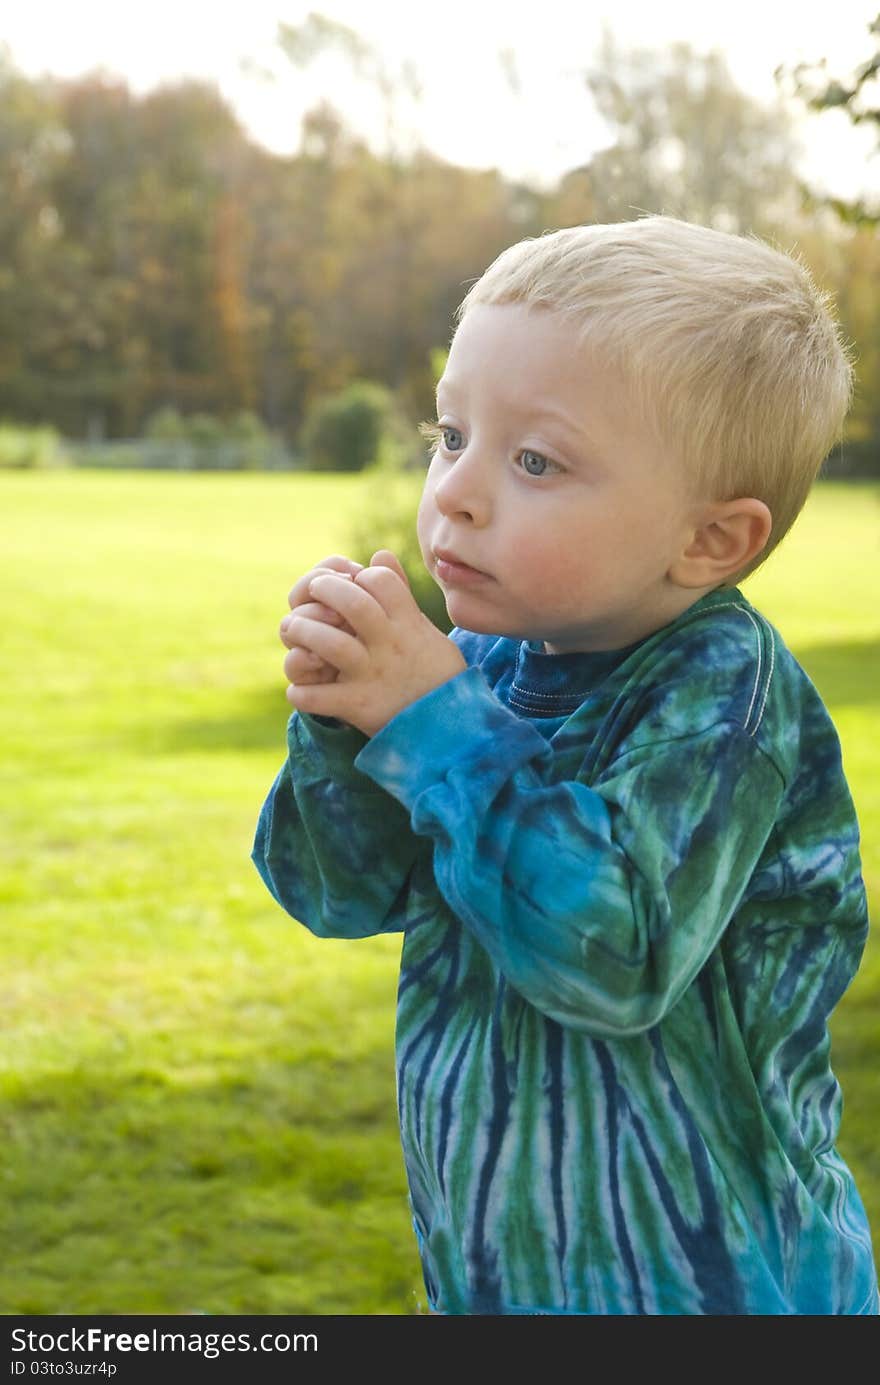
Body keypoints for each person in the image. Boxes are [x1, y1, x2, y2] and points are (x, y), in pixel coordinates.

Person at [252, 215, 878, 1315]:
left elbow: (615, 952)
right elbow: (337, 892)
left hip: (715, 1286)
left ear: (708, 541)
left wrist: (432, 721)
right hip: (501, 1279)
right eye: (450, 434)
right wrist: (346, 723)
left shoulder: (720, 696)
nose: (456, 488)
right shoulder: (479, 664)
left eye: (534, 458)